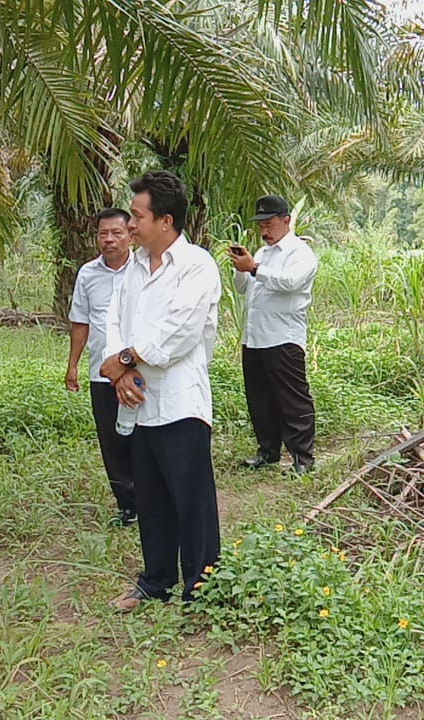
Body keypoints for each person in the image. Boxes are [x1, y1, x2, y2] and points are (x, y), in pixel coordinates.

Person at [100, 170, 221, 611]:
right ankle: (156, 580)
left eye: (136, 216)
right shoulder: (132, 267)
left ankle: (201, 586)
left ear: (165, 221)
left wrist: (128, 360)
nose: (130, 225)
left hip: (179, 401)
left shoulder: (197, 266)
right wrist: (118, 371)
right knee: (151, 499)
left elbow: (180, 333)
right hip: (137, 400)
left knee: (191, 501)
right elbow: (114, 319)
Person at [227, 194, 318, 474]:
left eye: (269, 224)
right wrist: (242, 268)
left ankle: (303, 458)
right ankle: (268, 452)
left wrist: (253, 268)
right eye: (260, 225)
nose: (264, 231)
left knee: (292, 399)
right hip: (254, 337)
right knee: (259, 398)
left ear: (286, 220)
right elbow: (244, 289)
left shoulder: (300, 253)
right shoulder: (262, 253)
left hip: (283, 337)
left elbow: (290, 283)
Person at [66, 208, 138, 526]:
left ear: (131, 235)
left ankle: (152, 500)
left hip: (138, 371)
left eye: (116, 233)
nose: (108, 240)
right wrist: (72, 366)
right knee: (111, 441)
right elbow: (80, 322)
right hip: (101, 372)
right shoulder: (88, 274)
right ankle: (128, 505)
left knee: (141, 436)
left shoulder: (145, 269)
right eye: (102, 233)